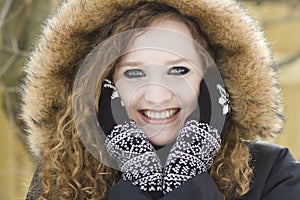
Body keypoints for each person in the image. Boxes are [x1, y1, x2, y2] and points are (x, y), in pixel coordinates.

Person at [22, 0, 300, 199]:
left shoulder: (271, 174)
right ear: (105, 85)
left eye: (179, 70)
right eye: (134, 72)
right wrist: (135, 166)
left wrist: (189, 168)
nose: (157, 96)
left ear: (211, 81)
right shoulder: (60, 179)